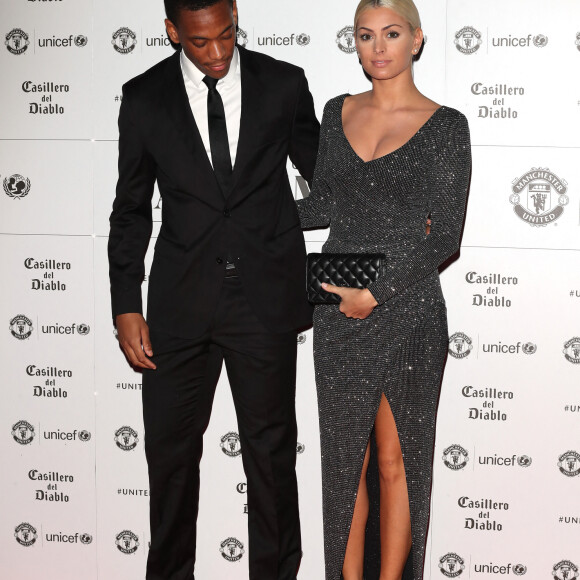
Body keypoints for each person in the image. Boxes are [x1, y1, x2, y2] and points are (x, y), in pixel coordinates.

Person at [107, 0, 320, 578]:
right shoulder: (145, 96)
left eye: (227, 35)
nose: (219, 53)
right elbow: (130, 210)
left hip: (265, 301)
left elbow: (329, 177)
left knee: (272, 460)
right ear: (173, 31)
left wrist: (396, 207)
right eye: (200, 42)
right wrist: (126, 301)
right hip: (180, 306)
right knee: (170, 461)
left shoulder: (283, 83)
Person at [296, 1, 471, 579]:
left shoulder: (447, 126)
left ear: (416, 40)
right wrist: (245, 206)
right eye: (365, 35)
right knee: (346, 462)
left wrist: (377, 292)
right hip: (338, 305)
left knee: (398, 462)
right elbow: (322, 206)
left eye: (391, 34)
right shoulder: (334, 111)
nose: (377, 47)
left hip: (408, 309)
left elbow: (444, 237)